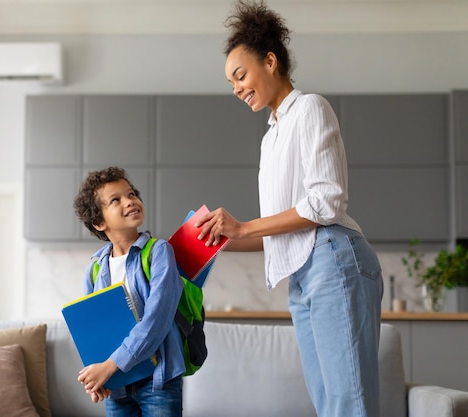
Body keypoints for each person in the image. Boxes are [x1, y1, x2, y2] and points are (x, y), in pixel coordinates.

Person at [195, 1, 384, 416]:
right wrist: (218, 240)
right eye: (230, 83)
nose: (237, 89)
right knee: (327, 403)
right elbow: (280, 230)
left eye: (240, 75)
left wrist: (243, 227)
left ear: (270, 60)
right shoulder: (271, 137)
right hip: (302, 274)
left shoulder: (310, 108)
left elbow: (325, 202)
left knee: (348, 402)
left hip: (334, 259)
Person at [73, 166, 186, 416]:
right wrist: (97, 378)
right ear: (99, 222)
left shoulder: (159, 252)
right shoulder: (94, 269)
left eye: (132, 194)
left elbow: (157, 320)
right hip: (117, 387)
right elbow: (94, 334)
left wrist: (110, 366)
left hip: (159, 384)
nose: (130, 201)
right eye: (116, 199)